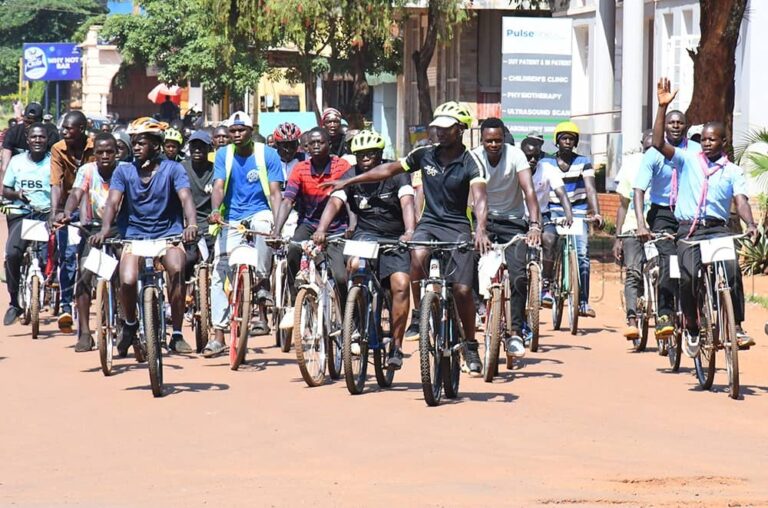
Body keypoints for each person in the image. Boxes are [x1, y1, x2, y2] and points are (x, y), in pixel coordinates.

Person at [321, 101, 490, 376]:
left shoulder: (471, 161)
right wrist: (348, 182)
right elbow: (387, 170)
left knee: (461, 290)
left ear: (460, 130)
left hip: (458, 225)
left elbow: (480, 199)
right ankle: (418, 315)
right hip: (429, 223)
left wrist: (480, 228)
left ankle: (470, 343)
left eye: (447, 129)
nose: (440, 133)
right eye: (438, 128)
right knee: (417, 254)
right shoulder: (423, 154)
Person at [651, 77, 758, 354]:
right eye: (704, 140)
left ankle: (736, 326)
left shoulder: (732, 171)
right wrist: (662, 107)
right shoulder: (687, 159)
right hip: (689, 231)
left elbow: (741, 201)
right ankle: (692, 325)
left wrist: (751, 223)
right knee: (687, 278)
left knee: (732, 272)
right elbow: (657, 143)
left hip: (719, 229)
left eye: (712, 140)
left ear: (723, 142)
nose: (707, 144)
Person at [90, 119, 199, 355]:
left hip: (167, 234)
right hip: (134, 236)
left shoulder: (173, 169)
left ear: (156, 146)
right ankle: (130, 324)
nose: (136, 147)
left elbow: (186, 198)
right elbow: (113, 202)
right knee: (127, 280)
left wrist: (191, 224)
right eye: (135, 143)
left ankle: (177, 333)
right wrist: (105, 229)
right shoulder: (124, 170)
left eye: (142, 143)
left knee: (177, 269)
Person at [311, 130, 416, 369]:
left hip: (394, 238)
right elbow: (335, 201)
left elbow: (407, 202)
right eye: (360, 154)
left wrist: (409, 231)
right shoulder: (350, 176)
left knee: (400, 284)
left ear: (380, 154)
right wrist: (321, 228)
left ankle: (396, 346)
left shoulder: (397, 174)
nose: (365, 158)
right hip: (365, 236)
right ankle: (358, 319)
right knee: (355, 266)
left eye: (370, 153)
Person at [204, 111, 284, 357]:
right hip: (231, 217)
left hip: (260, 212)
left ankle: (261, 282)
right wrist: (216, 210)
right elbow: (218, 186)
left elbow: (275, 193)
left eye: (241, 130)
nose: (236, 135)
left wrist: (276, 227)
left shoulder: (267, 154)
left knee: (263, 228)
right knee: (219, 269)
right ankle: (218, 334)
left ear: (252, 131)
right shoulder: (223, 155)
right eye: (232, 131)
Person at [473, 118, 549, 359]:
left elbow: (529, 191)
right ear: (482, 140)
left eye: (498, 140)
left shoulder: (516, 156)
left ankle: (515, 329)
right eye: (489, 141)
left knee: (518, 276)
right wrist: (478, 228)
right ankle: (478, 309)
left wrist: (534, 225)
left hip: (514, 222)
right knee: (468, 264)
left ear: (504, 139)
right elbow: (474, 195)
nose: (493, 144)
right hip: (483, 222)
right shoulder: (474, 157)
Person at [55, 133, 128, 351]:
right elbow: (76, 194)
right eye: (100, 152)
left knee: (125, 276)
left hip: (120, 230)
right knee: (84, 276)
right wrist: (66, 212)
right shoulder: (87, 171)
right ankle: (85, 333)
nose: (105, 155)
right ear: (93, 153)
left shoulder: (124, 170)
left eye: (110, 151)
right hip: (92, 230)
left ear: (117, 152)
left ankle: (127, 324)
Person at [633, 111, 701, 337]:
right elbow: (639, 189)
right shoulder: (653, 153)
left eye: (679, 123)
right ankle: (665, 313)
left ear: (685, 126)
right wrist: (642, 224)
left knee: (692, 264)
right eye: (671, 122)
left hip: (689, 212)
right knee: (670, 259)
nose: (675, 126)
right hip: (662, 213)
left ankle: (699, 309)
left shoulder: (695, 151)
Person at [273, 127, 352, 308]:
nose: (316, 146)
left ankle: (349, 317)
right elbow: (287, 201)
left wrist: (351, 226)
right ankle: (294, 302)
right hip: (308, 225)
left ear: (329, 145)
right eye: (312, 143)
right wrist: (276, 231)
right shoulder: (300, 170)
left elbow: (348, 199)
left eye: (321, 142)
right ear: (306, 148)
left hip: (337, 228)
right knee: (292, 249)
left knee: (340, 276)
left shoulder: (342, 167)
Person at [539, 121, 603, 317]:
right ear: (557, 141)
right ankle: (547, 287)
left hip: (578, 212)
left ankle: (582, 301)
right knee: (551, 245)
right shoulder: (546, 163)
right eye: (564, 138)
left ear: (575, 142)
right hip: (553, 211)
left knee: (582, 254)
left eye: (571, 139)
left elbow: (591, 189)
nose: (567, 142)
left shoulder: (583, 161)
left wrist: (596, 212)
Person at [50, 111, 95, 333]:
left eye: (70, 128)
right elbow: (56, 184)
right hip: (67, 209)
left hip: (92, 209)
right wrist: (55, 212)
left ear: (82, 129)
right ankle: (66, 305)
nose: (65, 131)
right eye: (63, 128)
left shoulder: (95, 146)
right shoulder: (58, 149)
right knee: (67, 256)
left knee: (88, 257)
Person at [2, 124, 51, 326]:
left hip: (46, 215)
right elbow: (5, 189)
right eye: (34, 137)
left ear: (47, 140)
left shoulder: (53, 162)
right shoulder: (17, 161)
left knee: (55, 255)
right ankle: (15, 302)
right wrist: (17, 195)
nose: (38, 140)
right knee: (13, 254)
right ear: (27, 139)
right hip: (21, 215)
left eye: (42, 137)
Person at [613, 130, 653, 339]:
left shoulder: (670, 164)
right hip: (631, 228)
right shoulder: (631, 165)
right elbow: (622, 205)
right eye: (647, 148)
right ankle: (631, 319)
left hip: (659, 228)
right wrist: (618, 238)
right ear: (641, 146)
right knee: (634, 273)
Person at [181, 131, 215, 290]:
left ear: (209, 149)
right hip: (187, 225)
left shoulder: (216, 171)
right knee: (188, 259)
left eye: (201, 146)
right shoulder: (181, 169)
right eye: (194, 146)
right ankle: (183, 293)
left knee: (218, 260)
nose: (197, 149)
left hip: (212, 225)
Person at [1, 103, 59, 176]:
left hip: (41, 173)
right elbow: (5, 165)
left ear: (41, 121)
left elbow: (56, 163)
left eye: (33, 123)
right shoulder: (13, 132)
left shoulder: (49, 134)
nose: (29, 126)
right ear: (23, 118)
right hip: (17, 173)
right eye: (26, 122)